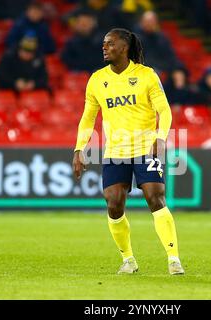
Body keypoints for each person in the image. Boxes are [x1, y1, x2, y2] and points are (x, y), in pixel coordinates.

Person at [73, 28, 184, 275]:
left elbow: (164, 111)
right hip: (115, 152)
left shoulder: (146, 76)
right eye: (103, 43)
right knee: (113, 204)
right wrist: (79, 149)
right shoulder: (96, 80)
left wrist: (161, 137)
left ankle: (173, 258)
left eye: (109, 43)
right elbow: (87, 119)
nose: (104, 47)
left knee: (155, 197)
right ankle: (128, 260)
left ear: (123, 47)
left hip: (146, 148)